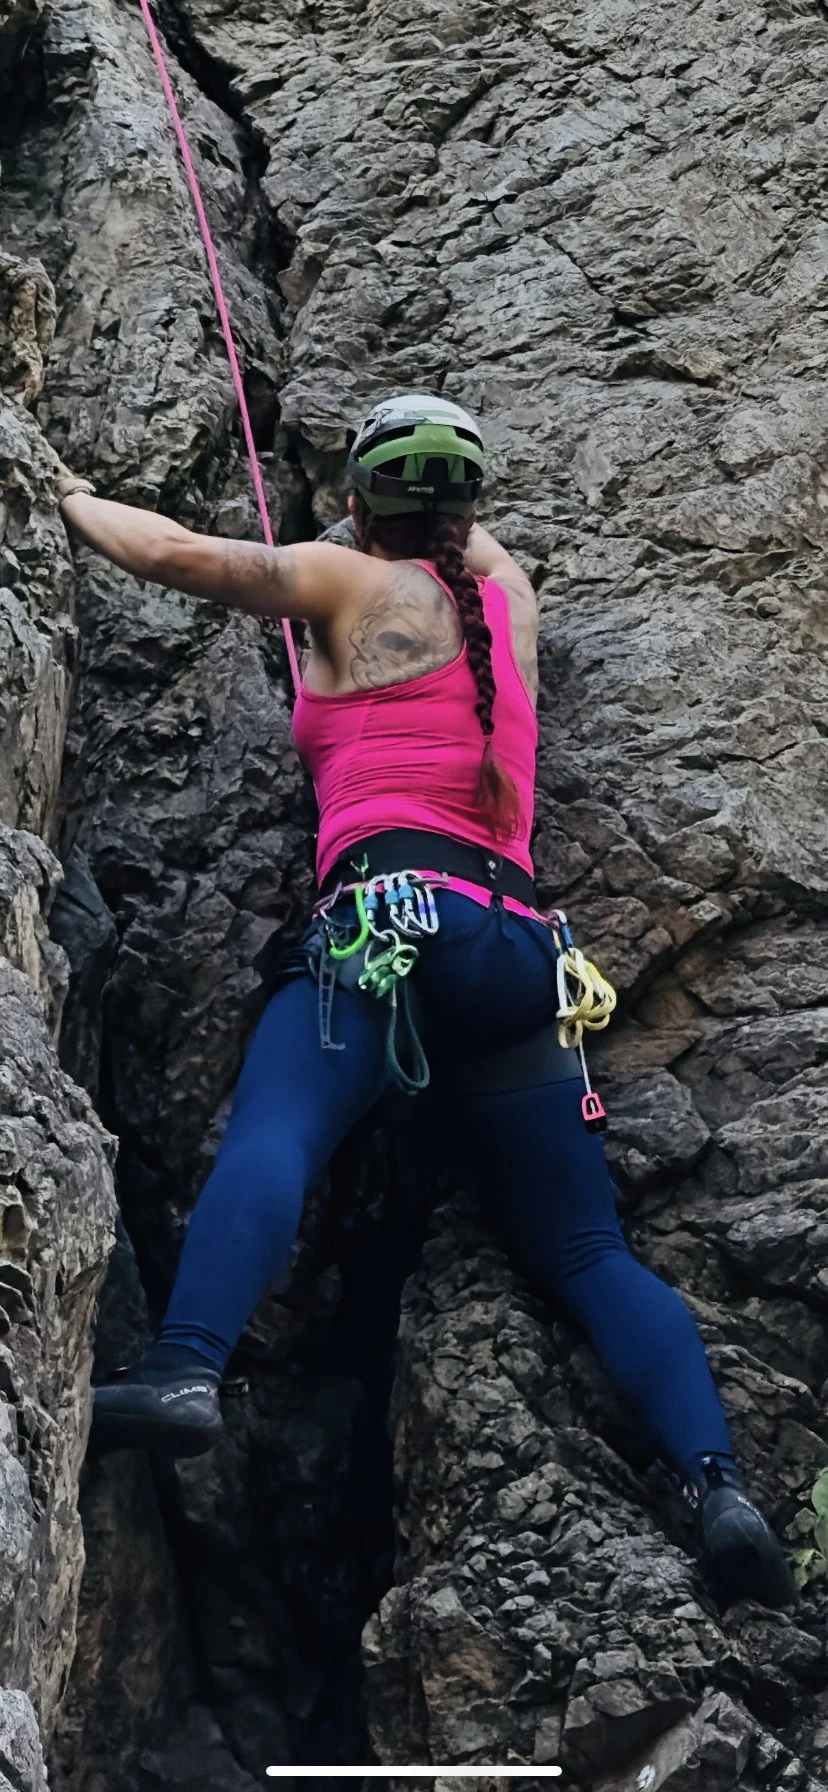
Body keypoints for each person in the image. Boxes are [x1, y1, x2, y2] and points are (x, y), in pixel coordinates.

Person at [53, 394, 794, 1609]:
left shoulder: (347, 582)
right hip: (519, 955)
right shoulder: (508, 608)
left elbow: (180, 557)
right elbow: (486, 543)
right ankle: (718, 1484)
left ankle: (186, 1370)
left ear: (359, 507)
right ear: (467, 513)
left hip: (392, 919)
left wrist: (69, 495)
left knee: (279, 1133)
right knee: (586, 1248)